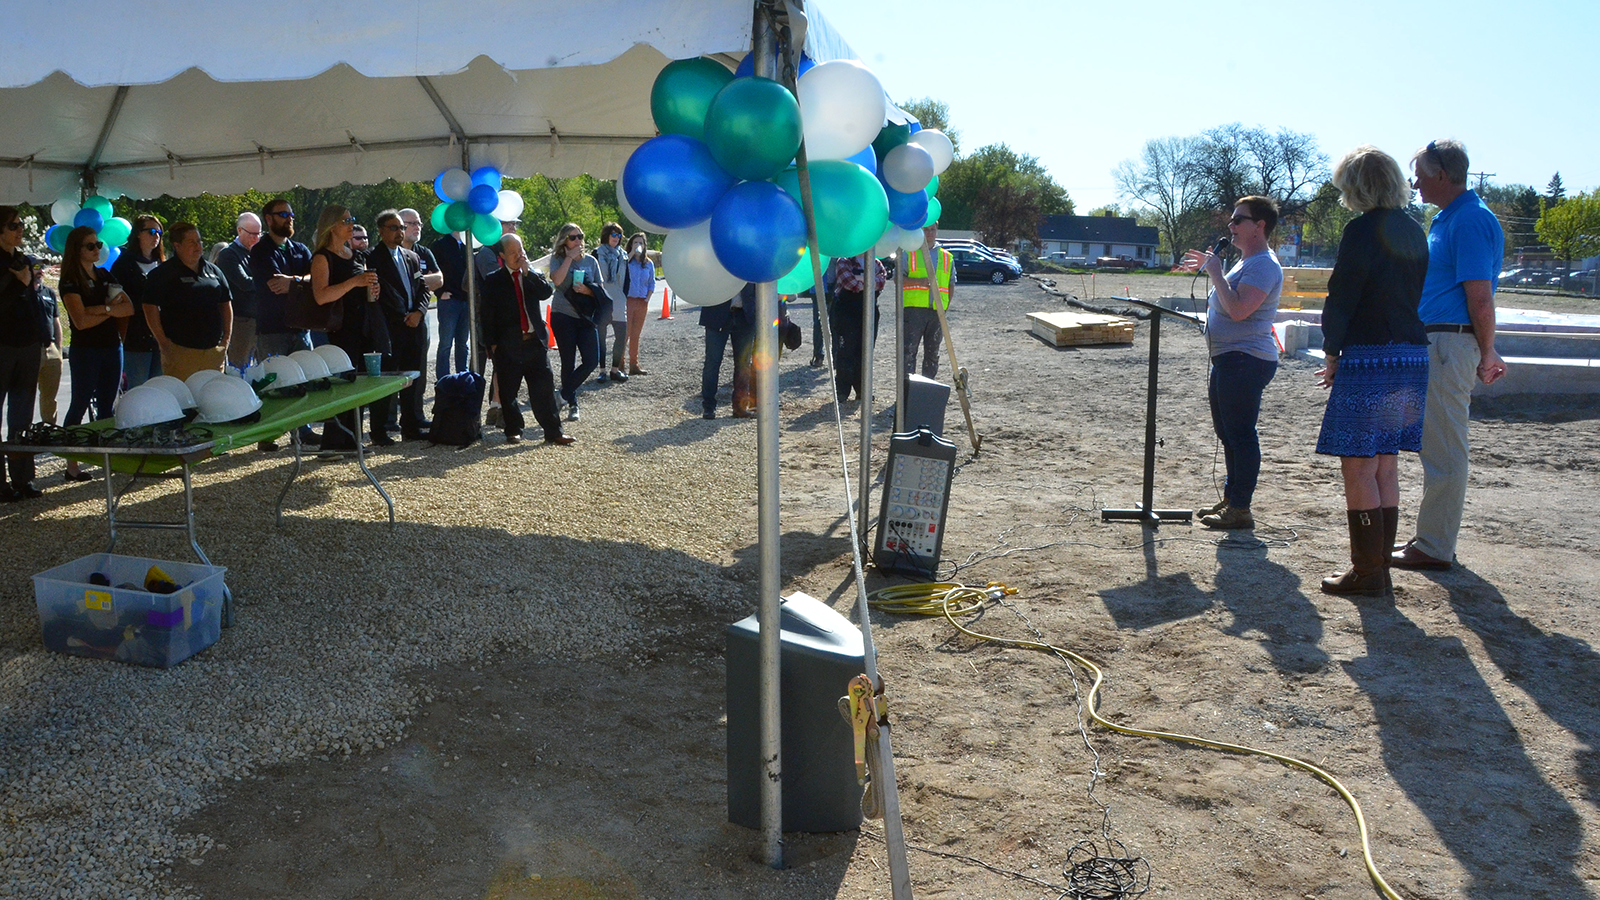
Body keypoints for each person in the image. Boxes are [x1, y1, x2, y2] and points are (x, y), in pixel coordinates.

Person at [1313, 146, 1431, 596]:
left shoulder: (1362, 230)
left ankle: (1366, 571)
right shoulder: (1414, 229)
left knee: (1358, 465)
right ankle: (1377, 568)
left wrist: (1331, 351)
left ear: (1358, 187)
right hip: (1411, 355)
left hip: (1370, 355)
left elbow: (1342, 293)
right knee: (1385, 464)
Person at [1393, 139, 1507, 571]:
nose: (1415, 181)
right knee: (1436, 445)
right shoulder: (1449, 218)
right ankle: (1433, 538)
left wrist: (1488, 349)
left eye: (1420, 172)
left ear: (1442, 174)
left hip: (1449, 342)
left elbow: (1479, 296)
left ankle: (1435, 545)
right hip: (1439, 341)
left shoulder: (1470, 221)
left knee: (1444, 447)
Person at [1181, 195, 1284, 530]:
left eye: (1238, 220)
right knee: (1227, 432)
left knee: (1240, 433)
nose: (1231, 226)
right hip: (1228, 358)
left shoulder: (1264, 265)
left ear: (1260, 226)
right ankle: (1232, 499)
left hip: (1247, 359)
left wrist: (1215, 273)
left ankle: (1241, 508)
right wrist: (1218, 272)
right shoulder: (1245, 261)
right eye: (1231, 220)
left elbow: (1240, 310)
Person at [58, 225, 135, 481]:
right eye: (90, 246)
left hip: (111, 347)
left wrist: (100, 311)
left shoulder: (105, 275)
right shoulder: (70, 280)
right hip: (86, 349)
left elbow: (128, 308)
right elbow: (80, 321)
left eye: (98, 245)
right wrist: (108, 309)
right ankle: (72, 464)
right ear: (77, 250)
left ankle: (107, 458)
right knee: (79, 404)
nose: (96, 250)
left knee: (107, 406)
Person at [480, 234, 572, 446]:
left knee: (544, 390)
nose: (518, 256)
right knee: (508, 390)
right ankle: (513, 430)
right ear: (502, 255)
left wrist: (528, 272)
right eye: (512, 253)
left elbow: (546, 292)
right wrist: (491, 343)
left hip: (534, 342)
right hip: (507, 344)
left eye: (520, 250)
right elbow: (487, 314)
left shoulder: (533, 275)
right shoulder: (494, 279)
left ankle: (554, 431)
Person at [309, 205, 381, 452]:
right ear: (331, 226)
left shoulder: (355, 254)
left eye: (352, 219)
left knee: (358, 384)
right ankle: (332, 442)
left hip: (362, 326)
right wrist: (354, 282)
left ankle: (352, 439)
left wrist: (371, 289)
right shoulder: (322, 257)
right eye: (345, 220)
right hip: (339, 330)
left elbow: (359, 288)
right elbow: (321, 295)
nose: (351, 224)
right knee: (341, 384)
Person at [249, 198, 314, 450]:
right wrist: (301, 282)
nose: (289, 219)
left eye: (291, 214)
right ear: (268, 219)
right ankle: (268, 434)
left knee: (303, 380)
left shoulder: (300, 249)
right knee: (274, 383)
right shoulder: (261, 250)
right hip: (273, 328)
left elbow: (315, 278)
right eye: (282, 214)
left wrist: (294, 281)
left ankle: (303, 431)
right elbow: (275, 285)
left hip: (301, 327)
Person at [142, 222, 234, 382]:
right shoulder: (163, 274)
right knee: (186, 402)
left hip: (214, 351)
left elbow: (226, 304)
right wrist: (163, 343)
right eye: (191, 242)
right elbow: (149, 307)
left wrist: (226, 338)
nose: (198, 246)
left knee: (212, 399)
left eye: (199, 241)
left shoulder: (213, 271)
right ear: (177, 245)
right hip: (180, 352)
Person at [369, 209, 430, 441]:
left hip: (413, 326)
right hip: (390, 328)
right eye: (394, 228)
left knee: (412, 378)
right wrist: (402, 315)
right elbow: (377, 295)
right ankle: (379, 430)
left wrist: (419, 312)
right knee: (386, 380)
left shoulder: (411, 257)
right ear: (381, 231)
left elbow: (423, 289)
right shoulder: (371, 258)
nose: (399, 232)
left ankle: (411, 427)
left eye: (401, 228)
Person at [0, 208, 46, 500]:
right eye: (13, 225)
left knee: (22, 417)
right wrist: (18, 283)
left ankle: (23, 479)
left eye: (20, 225)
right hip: (2, 345)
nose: (19, 230)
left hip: (27, 345)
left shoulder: (23, 260)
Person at [547, 223, 602, 421]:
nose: (578, 240)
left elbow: (599, 288)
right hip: (563, 315)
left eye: (580, 236)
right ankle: (572, 404)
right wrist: (569, 259)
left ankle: (561, 396)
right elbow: (557, 281)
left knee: (591, 360)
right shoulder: (558, 259)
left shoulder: (591, 261)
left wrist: (587, 290)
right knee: (567, 361)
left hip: (586, 317)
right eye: (573, 237)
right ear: (564, 241)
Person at [398, 208, 442, 431]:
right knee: (394, 370)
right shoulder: (390, 252)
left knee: (419, 370)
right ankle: (387, 421)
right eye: (411, 223)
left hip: (420, 316)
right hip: (395, 319)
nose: (417, 227)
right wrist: (420, 282)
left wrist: (413, 281)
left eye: (419, 223)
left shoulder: (423, 252)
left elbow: (439, 279)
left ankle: (414, 416)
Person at [110, 214, 166, 388]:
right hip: (135, 339)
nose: (156, 236)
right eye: (150, 231)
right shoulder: (123, 264)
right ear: (138, 234)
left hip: (160, 338)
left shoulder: (163, 264)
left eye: (159, 232)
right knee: (138, 390)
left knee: (159, 389)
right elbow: (116, 299)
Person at [829, 253, 887, 402]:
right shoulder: (844, 261)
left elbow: (882, 281)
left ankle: (863, 390)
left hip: (869, 311)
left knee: (865, 352)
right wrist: (870, 282)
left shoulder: (876, 262)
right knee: (845, 351)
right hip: (846, 311)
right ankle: (842, 391)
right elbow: (851, 284)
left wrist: (863, 281)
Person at [901, 223, 954, 382]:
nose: (930, 233)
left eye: (933, 230)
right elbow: (898, 279)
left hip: (936, 313)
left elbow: (951, 284)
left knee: (932, 353)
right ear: (920, 231)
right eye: (926, 229)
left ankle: (927, 388)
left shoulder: (947, 257)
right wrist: (920, 281)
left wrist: (945, 307)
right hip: (914, 311)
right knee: (909, 352)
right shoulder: (909, 253)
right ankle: (907, 390)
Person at [699, 282, 756, 419]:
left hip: (745, 315)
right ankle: (708, 406)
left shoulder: (749, 261)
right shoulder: (715, 260)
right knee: (712, 362)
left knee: (743, 365)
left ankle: (740, 407)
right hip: (716, 314)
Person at [215, 212, 261, 368]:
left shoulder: (257, 253)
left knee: (259, 367)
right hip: (241, 320)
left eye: (259, 234)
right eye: (252, 234)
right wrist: (270, 282)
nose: (256, 238)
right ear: (240, 231)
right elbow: (244, 283)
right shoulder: (228, 254)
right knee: (239, 366)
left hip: (258, 318)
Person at [430, 228, 471, 377]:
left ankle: (463, 376)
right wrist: (440, 293)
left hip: (467, 300)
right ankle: (443, 378)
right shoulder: (440, 245)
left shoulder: (469, 243)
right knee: (446, 343)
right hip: (449, 301)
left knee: (463, 343)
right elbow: (431, 272)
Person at [592, 221, 628, 383]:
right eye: (613, 234)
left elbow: (627, 279)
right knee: (601, 337)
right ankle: (602, 371)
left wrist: (624, 296)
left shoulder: (624, 255)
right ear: (606, 235)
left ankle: (615, 369)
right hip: (602, 300)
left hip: (619, 300)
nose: (616, 238)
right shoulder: (596, 253)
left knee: (621, 336)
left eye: (619, 235)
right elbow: (591, 276)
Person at [33, 259, 63, 426]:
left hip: (50, 349)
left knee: (49, 397)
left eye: (41, 267)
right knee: (26, 395)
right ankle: (23, 433)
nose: (40, 271)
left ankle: (49, 429)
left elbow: (56, 322)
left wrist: (58, 349)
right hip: (30, 350)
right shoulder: (22, 293)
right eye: (35, 267)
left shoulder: (49, 293)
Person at [622, 233, 656, 375]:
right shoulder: (626, 260)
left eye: (640, 243)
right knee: (625, 334)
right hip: (628, 301)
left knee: (636, 334)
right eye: (635, 242)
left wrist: (647, 298)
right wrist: (631, 253)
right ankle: (619, 364)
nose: (638, 245)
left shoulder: (648, 263)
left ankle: (634, 364)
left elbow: (652, 283)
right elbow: (621, 270)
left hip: (642, 301)